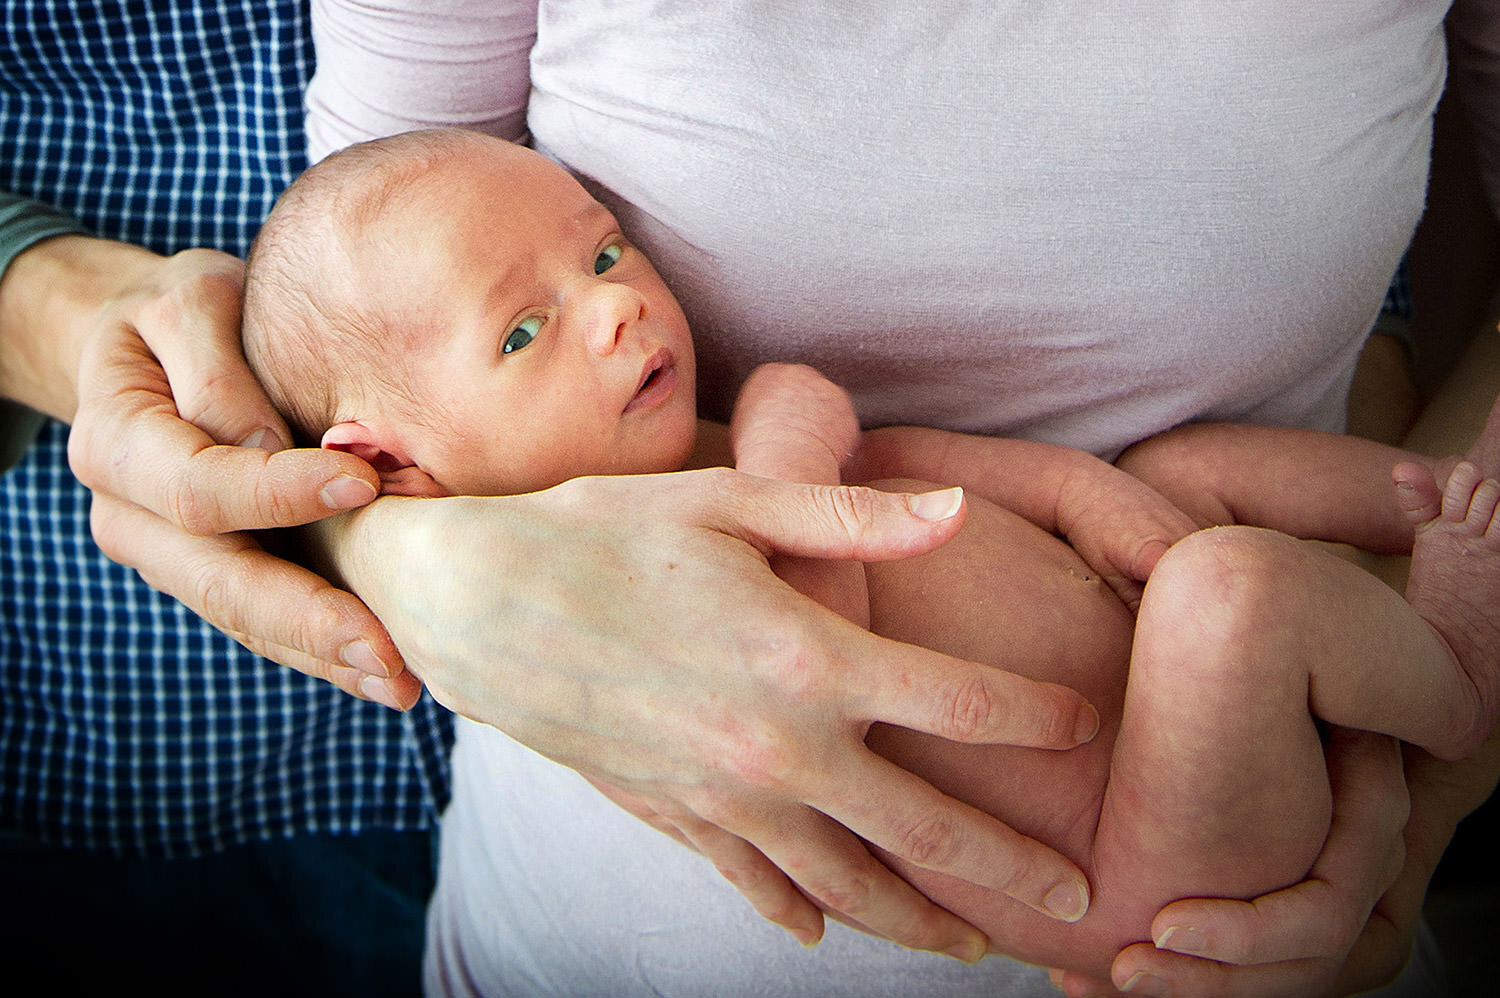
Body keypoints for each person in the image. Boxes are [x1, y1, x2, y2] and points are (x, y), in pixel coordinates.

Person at [297, 2, 1500, 995]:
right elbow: (329, 375)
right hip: (1131, 884)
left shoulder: (757, 451)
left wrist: (1086, 496)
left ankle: (1442, 589)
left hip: (1252, 798)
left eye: (605, 252)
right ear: (402, 462)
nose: (612, 304)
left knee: (1197, 490)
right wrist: (404, 558)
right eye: (524, 329)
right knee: (1229, 591)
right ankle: (1447, 664)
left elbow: (909, 460)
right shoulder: (744, 489)